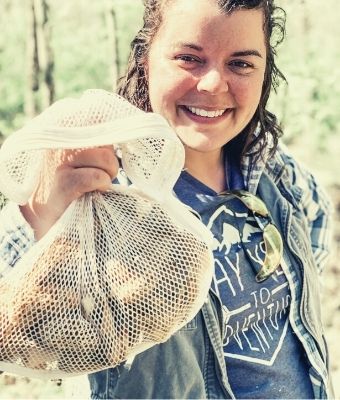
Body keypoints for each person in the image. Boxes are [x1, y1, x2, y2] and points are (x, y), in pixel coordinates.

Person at [0, 0, 335, 398]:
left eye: (241, 64)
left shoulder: (281, 178)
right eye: (189, 58)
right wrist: (48, 234)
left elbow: (312, 264)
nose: (213, 84)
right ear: (145, 60)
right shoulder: (94, 198)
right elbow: (23, 338)